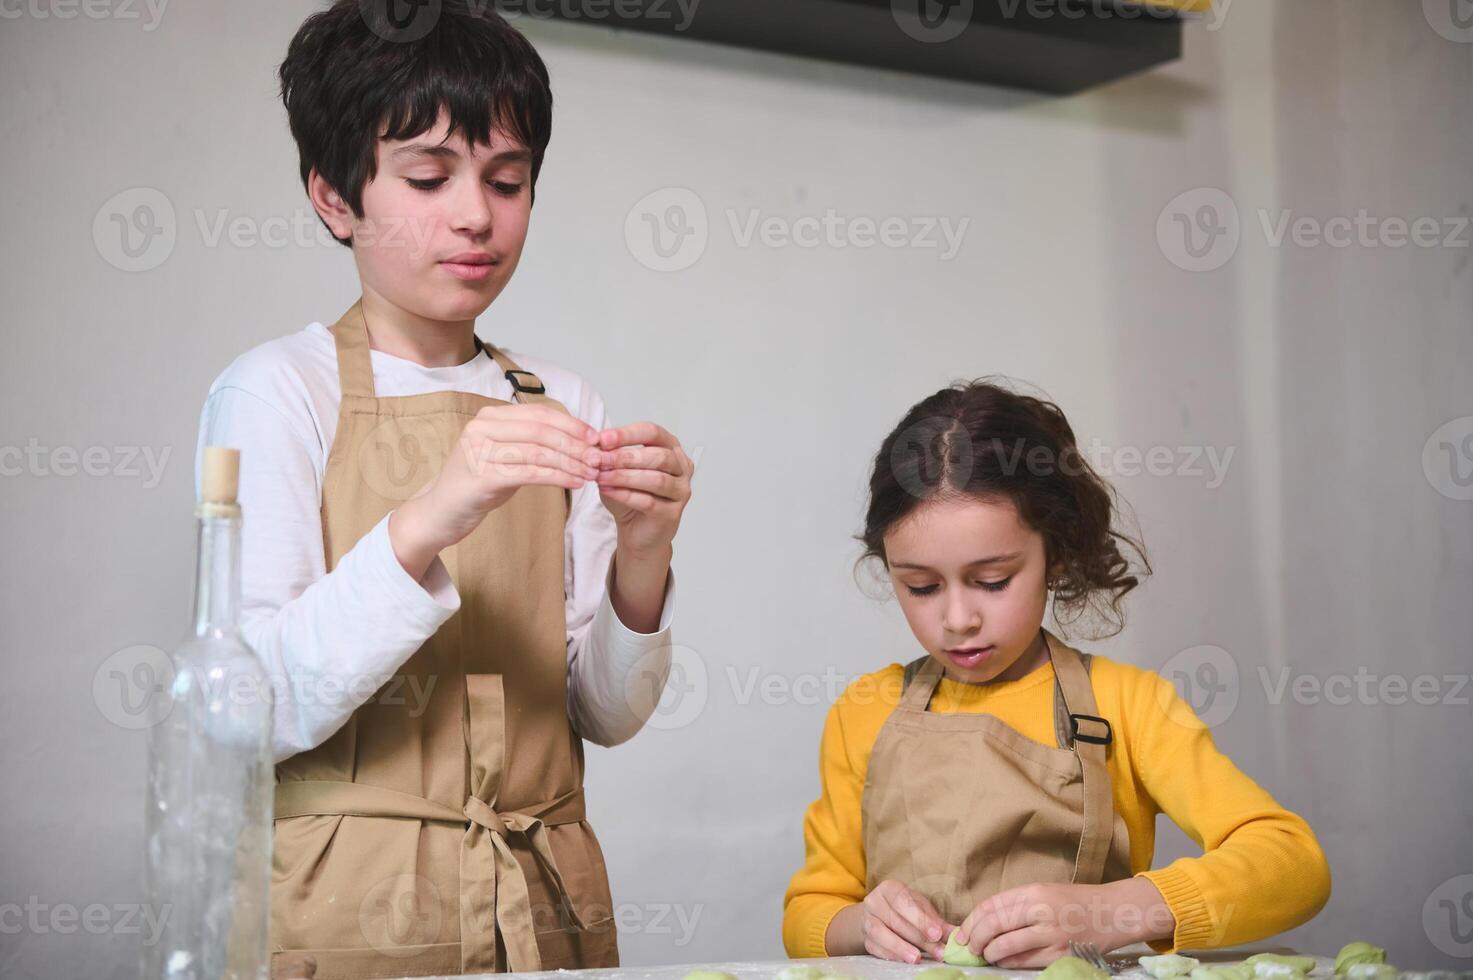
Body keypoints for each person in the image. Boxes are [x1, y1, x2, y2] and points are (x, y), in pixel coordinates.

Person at [193, 2, 692, 975]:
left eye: (508, 181)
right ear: (335, 198)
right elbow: (247, 707)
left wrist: (645, 552)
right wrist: (430, 513)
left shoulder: (561, 397)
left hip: (544, 908)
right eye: (429, 176)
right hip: (347, 911)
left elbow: (603, 714)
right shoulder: (276, 390)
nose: (477, 214)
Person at [783, 379, 1329, 967]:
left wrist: (1115, 912)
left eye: (993, 581)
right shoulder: (865, 709)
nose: (957, 619)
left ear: (1057, 553)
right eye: (920, 586)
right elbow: (809, 912)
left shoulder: (1130, 705)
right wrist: (861, 924)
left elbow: (1294, 864)